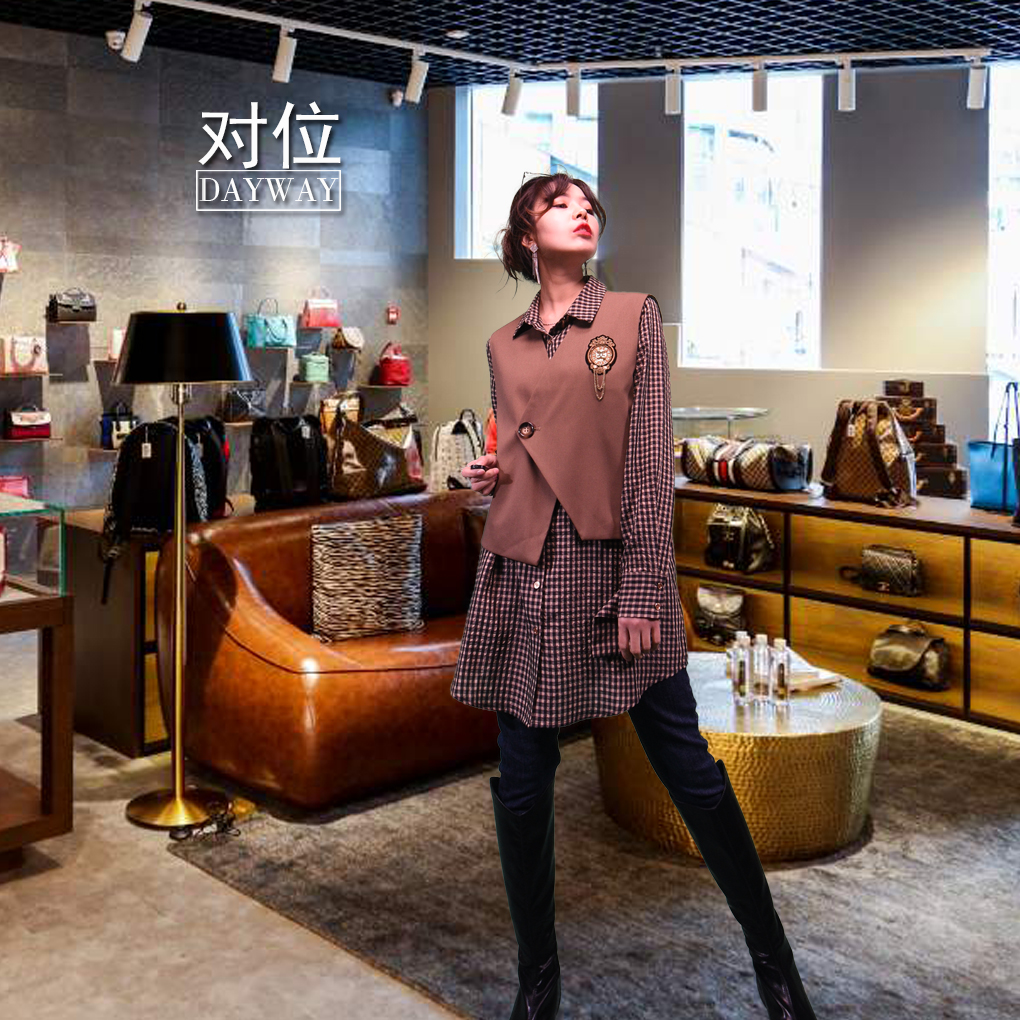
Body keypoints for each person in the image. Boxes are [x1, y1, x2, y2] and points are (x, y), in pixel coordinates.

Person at [450, 172, 817, 1020]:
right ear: (526, 235)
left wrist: (645, 589)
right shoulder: (502, 343)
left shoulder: (631, 316)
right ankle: (537, 985)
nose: (581, 209)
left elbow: (648, 461)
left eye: (587, 202)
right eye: (558, 203)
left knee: (688, 769)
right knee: (522, 786)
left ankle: (775, 966)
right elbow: (529, 448)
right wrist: (496, 469)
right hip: (521, 571)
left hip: (611, 571)